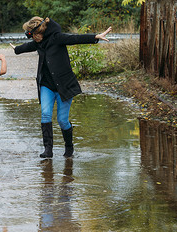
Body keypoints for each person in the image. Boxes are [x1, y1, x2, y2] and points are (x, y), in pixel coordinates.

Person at [10, 17, 111, 158]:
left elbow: (75, 38)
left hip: (64, 85)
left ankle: (69, 147)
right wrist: (17, 49)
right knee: (45, 114)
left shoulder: (57, 38)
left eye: (32, 35)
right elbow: (28, 47)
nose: (32, 38)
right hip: (46, 85)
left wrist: (95, 37)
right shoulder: (38, 42)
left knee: (62, 120)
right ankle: (48, 150)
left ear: (40, 32)